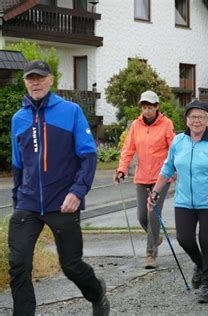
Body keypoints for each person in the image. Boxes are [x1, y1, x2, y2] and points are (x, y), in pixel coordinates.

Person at [9, 60, 109, 315]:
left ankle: (97, 293)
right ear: (25, 82)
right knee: (18, 265)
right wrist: (17, 197)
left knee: (71, 265)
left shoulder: (71, 111)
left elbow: (88, 155)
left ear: (51, 80)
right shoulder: (18, 119)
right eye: (30, 78)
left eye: (40, 77)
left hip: (63, 201)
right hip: (28, 203)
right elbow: (18, 165)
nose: (35, 82)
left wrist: (77, 191)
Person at [147, 100, 208, 303]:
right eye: (193, 117)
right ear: (186, 120)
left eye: (201, 117)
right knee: (184, 239)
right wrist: (155, 193)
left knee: (207, 240)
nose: (196, 121)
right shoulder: (178, 142)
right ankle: (201, 264)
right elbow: (168, 169)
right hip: (184, 200)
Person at [114, 91, 175, 269]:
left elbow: (174, 149)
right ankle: (155, 237)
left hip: (161, 178)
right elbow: (128, 150)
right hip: (142, 176)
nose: (147, 111)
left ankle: (151, 254)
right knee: (141, 216)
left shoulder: (166, 124)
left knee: (153, 213)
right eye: (144, 107)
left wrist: (176, 168)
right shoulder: (136, 125)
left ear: (157, 107)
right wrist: (121, 170)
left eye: (150, 107)